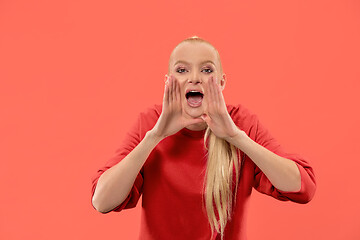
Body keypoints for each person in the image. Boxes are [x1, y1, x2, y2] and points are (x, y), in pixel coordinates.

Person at [90, 36, 316, 240]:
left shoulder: (241, 123)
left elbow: (302, 187)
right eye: (182, 70)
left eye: (207, 70)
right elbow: (102, 201)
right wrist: (155, 136)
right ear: (168, 82)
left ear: (222, 82)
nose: (195, 78)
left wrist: (235, 137)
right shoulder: (151, 122)